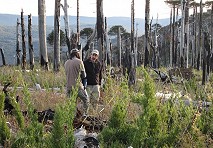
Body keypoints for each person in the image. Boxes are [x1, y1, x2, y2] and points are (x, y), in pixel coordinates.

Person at [64, 48, 89, 115]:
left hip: (68, 87)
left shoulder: (66, 62)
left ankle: (72, 115)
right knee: (86, 100)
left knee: (71, 102)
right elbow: (84, 75)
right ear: (77, 54)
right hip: (77, 86)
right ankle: (85, 114)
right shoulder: (79, 62)